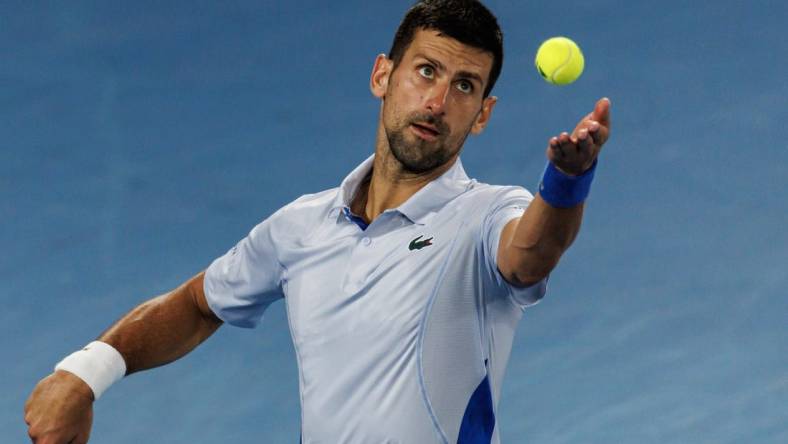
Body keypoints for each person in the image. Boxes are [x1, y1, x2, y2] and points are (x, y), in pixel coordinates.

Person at [24, 0, 611, 442]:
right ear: (383, 75)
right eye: (426, 72)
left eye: (464, 86)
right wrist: (84, 373)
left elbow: (529, 253)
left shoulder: (486, 215)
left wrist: (566, 183)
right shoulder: (299, 229)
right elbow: (197, 303)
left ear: (482, 114)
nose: (438, 101)